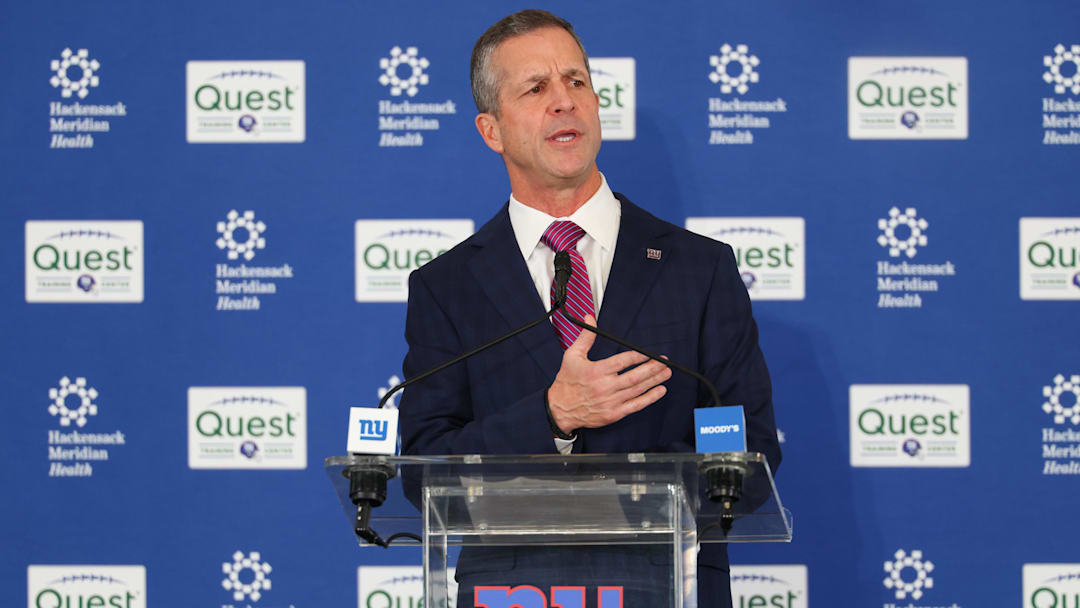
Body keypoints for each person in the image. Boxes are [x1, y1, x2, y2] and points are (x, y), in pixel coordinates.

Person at [399, 9, 781, 607]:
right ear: (491, 130)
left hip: (664, 584)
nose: (563, 102)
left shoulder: (699, 268)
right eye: (535, 88)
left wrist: (626, 492)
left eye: (576, 81)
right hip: (512, 591)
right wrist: (553, 417)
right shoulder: (446, 287)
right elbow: (424, 474)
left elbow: (748, 456)